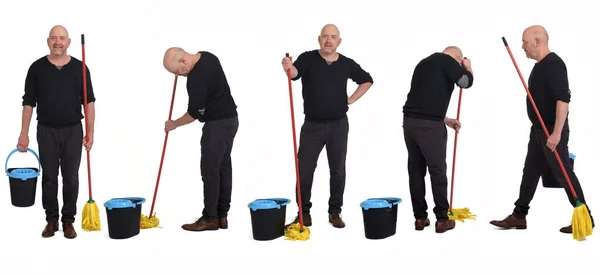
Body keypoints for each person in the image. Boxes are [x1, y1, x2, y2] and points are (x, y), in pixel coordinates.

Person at [490, 25, 595, 233]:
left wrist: (556, 133)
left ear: (537, 42)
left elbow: (563, 100)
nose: (522, 46)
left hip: (550, 131)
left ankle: (585, 217)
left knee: (563, 173)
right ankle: (519, 215)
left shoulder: (554, 64)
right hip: (538, 130)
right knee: (529, 173)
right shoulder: (539, 66)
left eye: (525, 42)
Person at [281, 24, 374, 229]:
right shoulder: (307, 58)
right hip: (312, 126)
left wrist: (351, 99)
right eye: (325, 36)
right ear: (319, 39)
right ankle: (303, 214)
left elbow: (367, 80)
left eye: (333, 37)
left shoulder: (347, 63)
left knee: (338, 170)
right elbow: (294, 74)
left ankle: (335, 212)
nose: (328, 40)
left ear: (339, 41)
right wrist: (288, 65)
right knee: (304, 170)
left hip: (338, 125)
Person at [18, 25, 96, 239]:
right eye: (54, 38)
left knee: (71, 178)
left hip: (73, 130)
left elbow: (89, 102)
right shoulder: (36, 68)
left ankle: (68, 221)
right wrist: (23, 133)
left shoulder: (81, 68)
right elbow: (28, 103)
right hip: (46, 130)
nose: (58, 42)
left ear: (69, 42)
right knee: (49, 178)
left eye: (62, 38)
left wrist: (90, 132)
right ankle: (51, 220)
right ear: (48, 41)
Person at [162, 47, 239, 232]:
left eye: (176, 72)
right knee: (223, 168)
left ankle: (210, 218)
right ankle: (222, 216)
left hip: (217, 126)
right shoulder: (209, 56)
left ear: (183, 62)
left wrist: (174, 124)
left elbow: (194, 113)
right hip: (231, 120)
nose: (178, 75)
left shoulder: (195, 79)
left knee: (210, 171)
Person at [402, 46, 474, 233]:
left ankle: (420, 218)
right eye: (459, 61)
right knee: (437, 171)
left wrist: (446, 119)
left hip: (410, 122)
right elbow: (466, 82)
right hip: (429, 127)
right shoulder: (448, 62)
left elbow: (424, 99)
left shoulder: (424, 63)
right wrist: (467, 67)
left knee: (416, 170)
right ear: (457, 58)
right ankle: (442, 219)